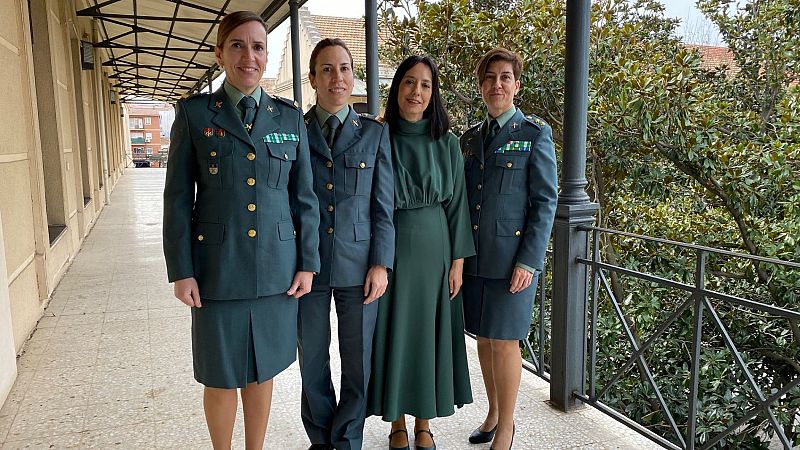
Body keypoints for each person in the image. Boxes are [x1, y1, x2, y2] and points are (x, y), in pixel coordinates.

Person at [162, 11, 320, 450]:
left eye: (257, 46)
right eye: (237, 45)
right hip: (216, 270)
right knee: (219, 374)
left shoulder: (288, 119)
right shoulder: (195, 115)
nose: (248, 55)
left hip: (276, 269)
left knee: (261, 370)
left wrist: (308, 262)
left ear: (267, 56)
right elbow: (177, 198)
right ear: (219, 53)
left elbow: (303, 198)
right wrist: (181, 270)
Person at [367, 55, 476, 450]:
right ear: (397, 87)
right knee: (392, 330)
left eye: (425, 85)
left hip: (436, 250)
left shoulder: (446, 142)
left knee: (427, 333)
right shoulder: (376, 136)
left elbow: (458, 204)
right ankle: (396, 420)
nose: (416, 92)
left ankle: (423, 423)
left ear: (434, 94)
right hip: (388, 246)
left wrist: (458, 261)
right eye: (409, 82)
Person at [298, 38, 395, 450]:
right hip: (308, 264)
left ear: (353, 75)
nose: (337, 77)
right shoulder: (293, 130)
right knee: (313, 359)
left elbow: (383, 205)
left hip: (360, 266)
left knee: (357, 361)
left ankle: (348, 437)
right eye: (327, 69)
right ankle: (321, 437)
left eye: (345, 68)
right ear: (313, 78)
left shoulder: (374, 132)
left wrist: (381, 263)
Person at [459, 48, 558, 450]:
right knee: (484, 337)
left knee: (505, 342)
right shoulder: (470, 139)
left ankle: (507, 427)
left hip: (513, 261)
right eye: (489, 78)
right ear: (481, 86)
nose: (496, 85)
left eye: (504, 78)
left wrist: (530, 262)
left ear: (516, 85)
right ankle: (494, 411)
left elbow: (545, 202)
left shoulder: (535, 135)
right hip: (476, 258)